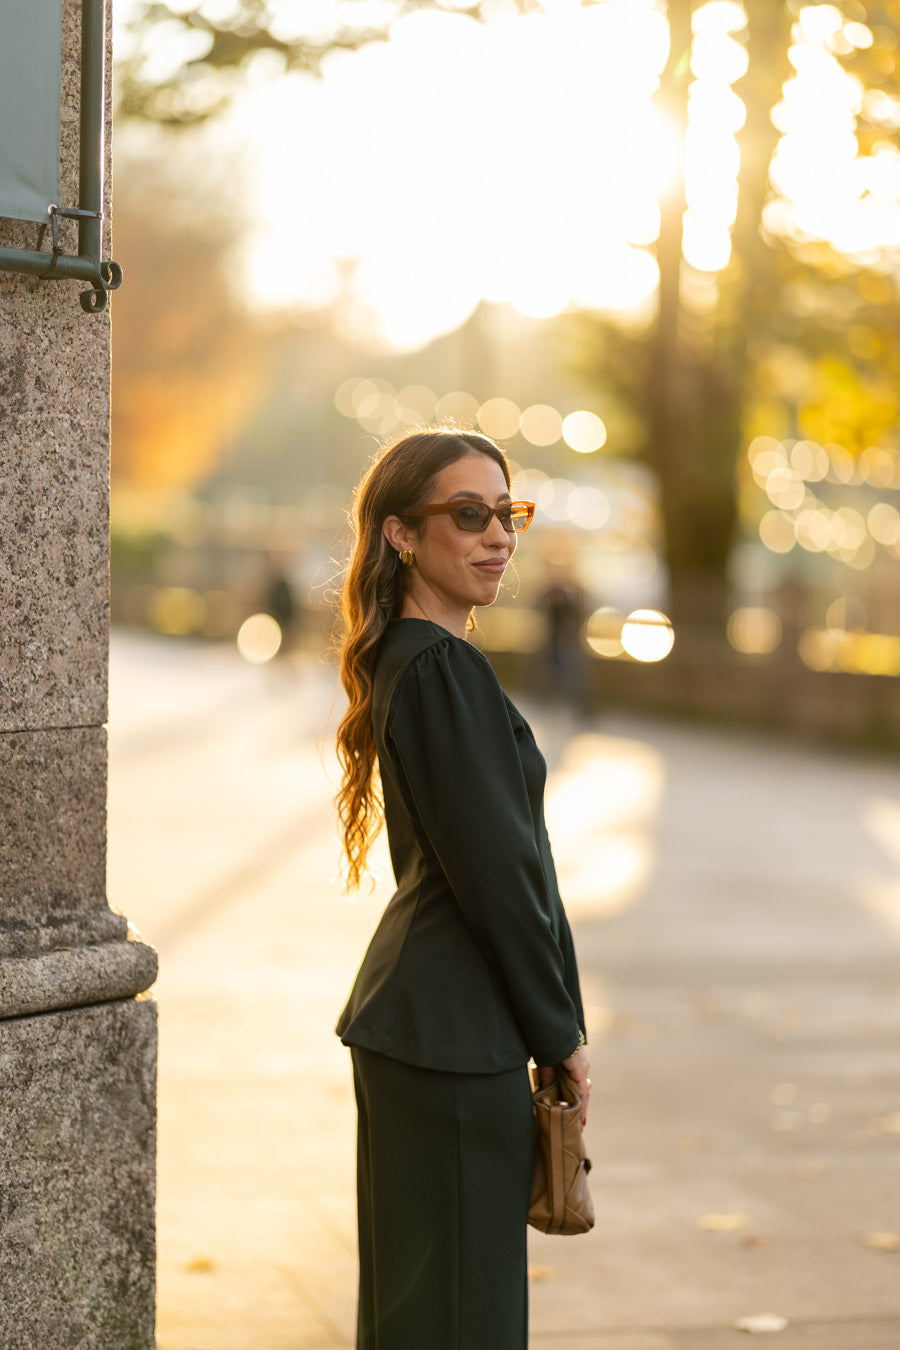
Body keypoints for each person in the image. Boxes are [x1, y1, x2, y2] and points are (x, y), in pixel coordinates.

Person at [333, 428, 590, 1350]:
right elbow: (504, 879)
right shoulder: (442, 667)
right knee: (454, 1317)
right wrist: (559, 1032)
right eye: (470, 514)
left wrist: (557, 1021)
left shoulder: (419, 659)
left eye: (508, 514)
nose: (499, 537)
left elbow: (509, 865)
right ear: (402, 534)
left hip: (439, 1027)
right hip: (449, 1037)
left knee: (423, 1311)